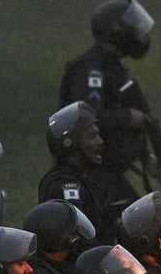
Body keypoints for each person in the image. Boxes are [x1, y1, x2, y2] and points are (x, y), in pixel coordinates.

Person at [58, 0, 161, 201]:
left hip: (105, 169)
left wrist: (146, 157)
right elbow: (87, 116)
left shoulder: (111, 67)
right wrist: (128, 117)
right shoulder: (91, 70)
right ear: (116, 33)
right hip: (88, 173)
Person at [38, 101, 129, 243]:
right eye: (92, 136)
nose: (100, 142)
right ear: (71, 143)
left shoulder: (85, 179)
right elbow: (78, 241)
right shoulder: (65, 186)